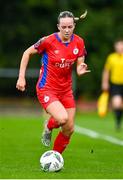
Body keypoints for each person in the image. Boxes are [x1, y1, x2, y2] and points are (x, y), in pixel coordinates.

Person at [16, 11, 90, 154]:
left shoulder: (79, 42)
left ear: (74, 25)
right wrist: (21, 77)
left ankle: (55, 157)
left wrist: (80, 70)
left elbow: (80, 63)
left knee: (69, 128)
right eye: (64, 27)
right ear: (58, 26)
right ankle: (49, 126)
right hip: (47, 88)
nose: (67, 30)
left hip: (66, 90)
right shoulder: (48, 41)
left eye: (70, 27)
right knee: (62, 118)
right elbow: (27, 53)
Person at [102, 39, 123, 130]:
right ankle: (118, 122)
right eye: (118, 46)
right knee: (117, 104)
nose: (120, 47)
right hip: (116, 84)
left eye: (121, 46)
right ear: (115, 47)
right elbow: (106, 71)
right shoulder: (111, 57)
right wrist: (105, 82)